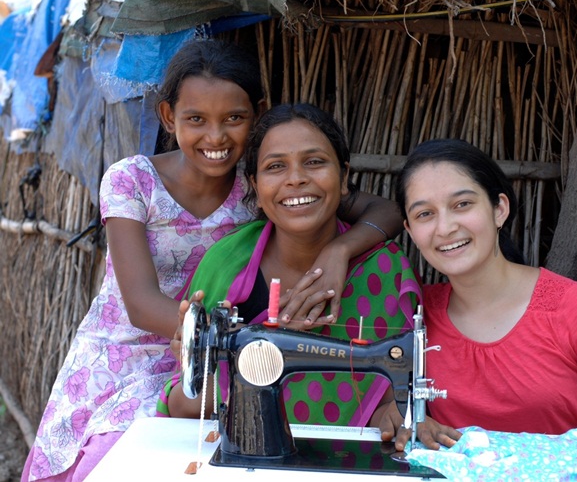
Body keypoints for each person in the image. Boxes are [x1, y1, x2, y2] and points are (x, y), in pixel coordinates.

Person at [22, 41, 404, 482]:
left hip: (216, 358)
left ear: (257, 114)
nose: (216, 137)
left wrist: (341, 250)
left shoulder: (261, 181)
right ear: (168, 117)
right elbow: (142, 304)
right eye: (196, 120)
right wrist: (238, 341)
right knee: (109, 461)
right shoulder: (133, 181)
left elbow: (386, 212)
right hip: (129, 352)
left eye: (234, 119)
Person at [156, 103, 422, 426]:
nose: (296, 179)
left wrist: (391, 413)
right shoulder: (225, 266)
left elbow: (399, 400)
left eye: (314, 162)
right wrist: (209, 361)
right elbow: (186, 405)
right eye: (275, 167)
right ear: (255, 185)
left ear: (344, 177)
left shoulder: (384, 271)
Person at [372, 138, 577, 451]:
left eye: (462, 204)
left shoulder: (576, 311)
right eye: (425, 214)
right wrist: (399, 414)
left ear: (499, 209)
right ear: (410, 231)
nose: (444, 228)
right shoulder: (416, 316)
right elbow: (380, 408)